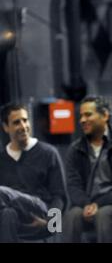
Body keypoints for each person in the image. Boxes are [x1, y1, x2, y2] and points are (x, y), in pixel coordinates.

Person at [62, 96, 112, 243]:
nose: (82, 120)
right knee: (71, 216)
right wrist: (87, 205)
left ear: (105, 115)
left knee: (105, 214)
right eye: (81, 116)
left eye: (88, 114)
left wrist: (99, 204)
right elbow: (73, 185)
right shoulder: (75, 149)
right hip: (85, 205)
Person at [0, 103, 66, 242]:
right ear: (6, 127)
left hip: (41, 210)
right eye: (16, 122)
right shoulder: (2, 159)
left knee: (3, 193)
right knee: (7, 214)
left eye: (25, 120)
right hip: (17, 220)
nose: (23, 126)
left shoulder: (48, 153)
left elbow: (59, 196)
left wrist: (53, 226)